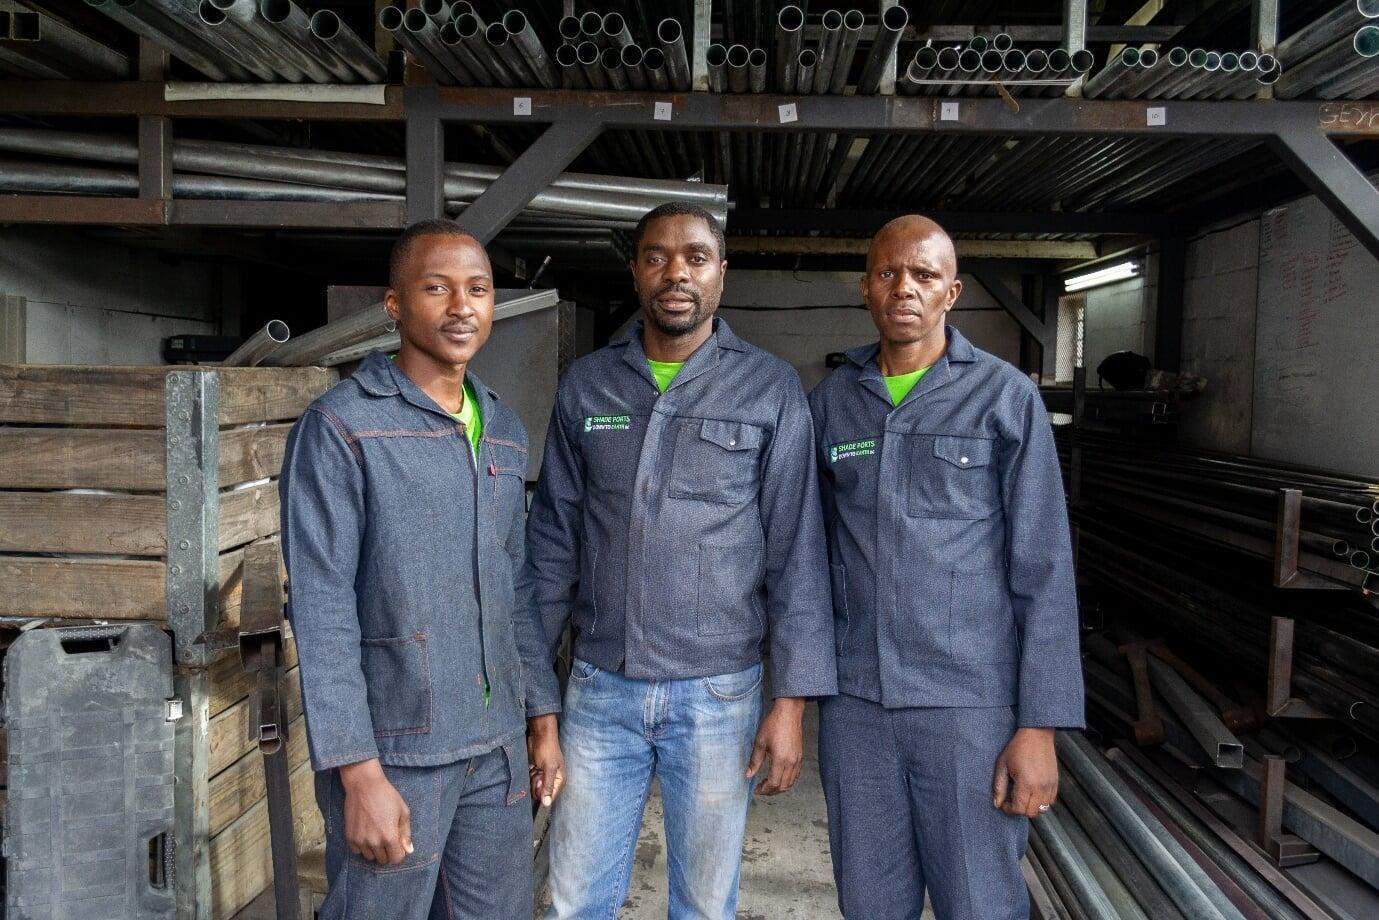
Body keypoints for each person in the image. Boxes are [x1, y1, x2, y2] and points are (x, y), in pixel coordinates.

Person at [526, 202, 837, 919]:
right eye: (657, 257)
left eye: (695, 257)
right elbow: (549, 553)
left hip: (719, 694)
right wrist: (538, 702)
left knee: (702, 903)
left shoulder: (768, 387)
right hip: (600, 690)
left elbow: (797, 555)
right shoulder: (588, 386)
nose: (676, 273)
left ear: (720, 274)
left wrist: (789, 704)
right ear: (635, 272)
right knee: (575, 899)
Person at [279, 219, 563, 920]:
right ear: (395, 305)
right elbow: (321, 609)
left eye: (478, 289)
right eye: (436, 288)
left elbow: (514, 584)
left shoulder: (500, 426)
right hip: (397, 754)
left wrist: (542, 715)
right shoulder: (343, 427)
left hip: (494, 748)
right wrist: (358, 771)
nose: (461, 307)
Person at [808, 215, 1085, 919]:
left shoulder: (1002, 398)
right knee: (870, 902)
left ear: (951, 292)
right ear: (865, 288)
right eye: (888, 273)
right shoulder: (831, 404)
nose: (905, 288)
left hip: (970, 708)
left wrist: (1039, 727)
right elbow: (803, 558)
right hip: (857, 706)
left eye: (924, 275)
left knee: (980, 901)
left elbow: (1043, 567)